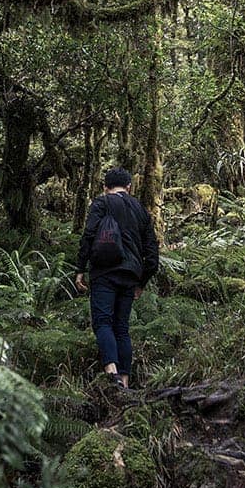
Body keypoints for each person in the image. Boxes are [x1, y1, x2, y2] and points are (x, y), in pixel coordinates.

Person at [75, 167, 159, 389]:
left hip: (104, 272)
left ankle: (111, 373)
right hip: (130, 275)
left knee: (103, 322)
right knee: (121, 328)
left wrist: (80, 268)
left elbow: (89, 235)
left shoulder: (101, 203)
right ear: (129, 187)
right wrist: (142, 282)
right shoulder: (140, 209)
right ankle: (125, 382)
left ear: (105, 187)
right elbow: (152, 251)